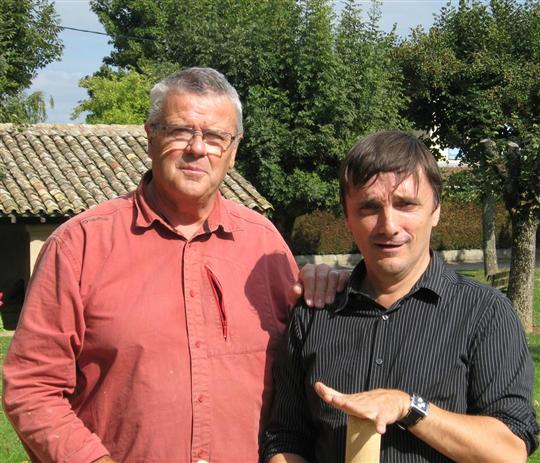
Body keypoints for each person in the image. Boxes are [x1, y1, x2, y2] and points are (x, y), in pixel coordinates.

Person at [2, 67, 345, 463]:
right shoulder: (79, 246)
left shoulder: (263, 245)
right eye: (181, 130)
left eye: (216, 137)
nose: (198, 149)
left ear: (233, 152)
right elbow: (32, 387)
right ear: (150, 136)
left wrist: (334, 284)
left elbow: (307, 363)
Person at [261, 130, 539, 463]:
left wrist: (408, 407)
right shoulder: (313, 312)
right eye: (369, 207)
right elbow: (285, 438)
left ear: (435, 210)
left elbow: (509, 451)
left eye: (406, 204)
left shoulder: (485, 312)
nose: (388, 225)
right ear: (348, 218)